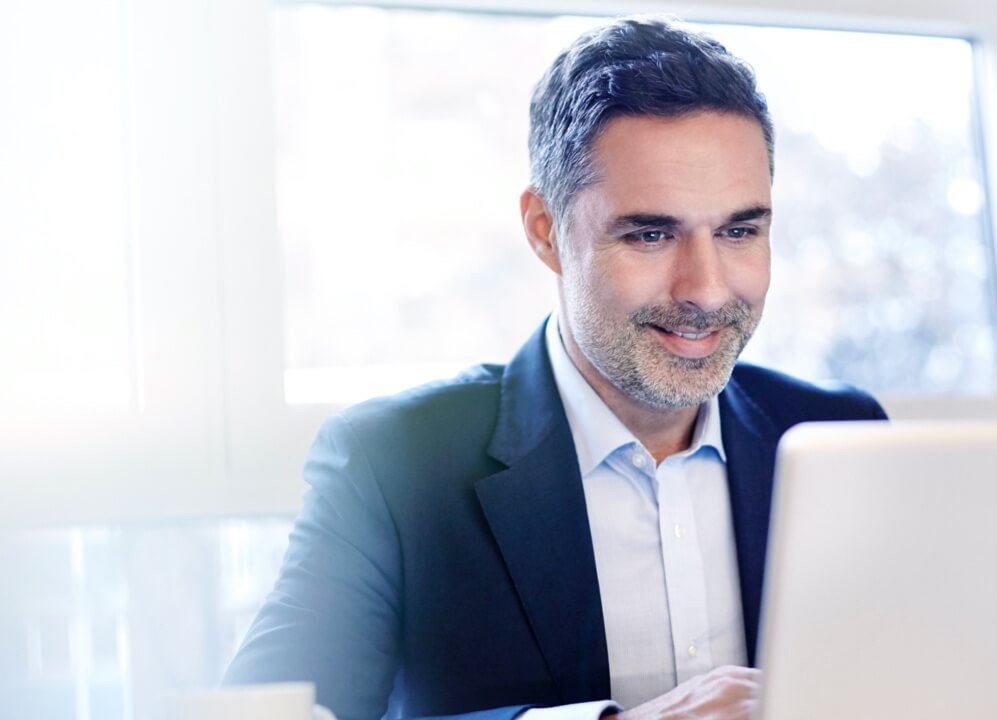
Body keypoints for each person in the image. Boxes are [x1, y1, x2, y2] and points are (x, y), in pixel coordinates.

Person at [223, 16, 886, 720]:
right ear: (545, 230)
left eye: (739, 231)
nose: (707, 289)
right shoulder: (395, 466)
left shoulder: (842, 437)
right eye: (651, 234)